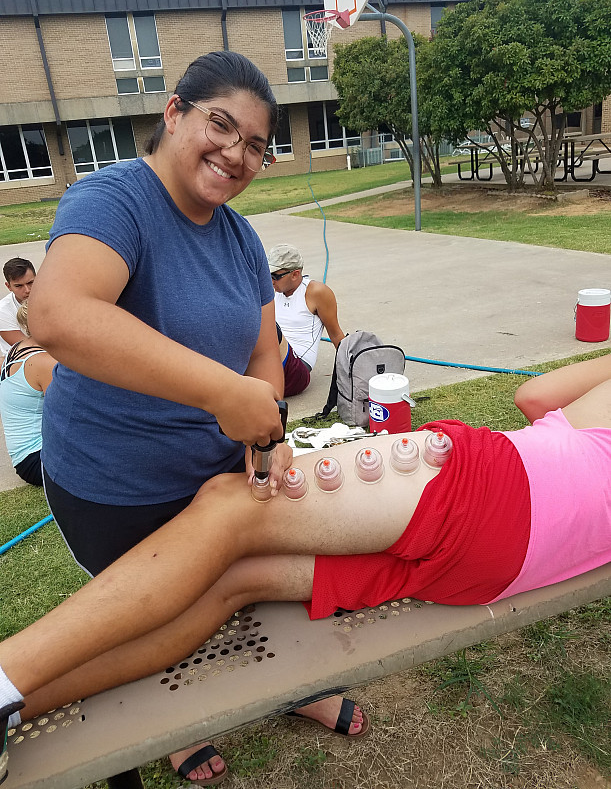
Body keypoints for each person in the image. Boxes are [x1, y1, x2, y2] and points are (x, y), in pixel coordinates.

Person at [1, 354, 611, 786]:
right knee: (237, 582)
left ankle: (5, 680)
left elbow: (533, 398)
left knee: (229, 506)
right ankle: (17, 710)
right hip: (504, 567)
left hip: (493, 486)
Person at [25, 52, 360, 786]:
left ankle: (289, 684)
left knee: (247, 588)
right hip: (115, 484)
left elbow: (264, 353)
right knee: (151, 616)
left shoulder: (240, 239)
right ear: (173, 113)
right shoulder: (114, 200)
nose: (235, 154)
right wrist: (218, 394)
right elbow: (56, 313)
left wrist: (264, 422)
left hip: (215, 471)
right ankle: (171, 727)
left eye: (255, 146)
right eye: (221, 125)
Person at [269, 245, 345, 390]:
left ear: (295, 274)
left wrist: (354, 370)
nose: (271, 281)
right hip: (268, 362)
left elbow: (336, 334)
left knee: (269, 328)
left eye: (275, 276)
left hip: (297, 369)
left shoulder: (316, 292)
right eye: (268, 274)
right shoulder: (271, 291)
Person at [0, 301, 56, 487]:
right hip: (38, 460)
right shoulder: (44, 362)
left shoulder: (16, 349)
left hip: (25, 458)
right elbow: (68, 415)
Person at [0, 258, 36, 356]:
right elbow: (27, 348)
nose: (27, 290)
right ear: (8, 286)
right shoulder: (3, 311)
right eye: (19, 286)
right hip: (20, 360)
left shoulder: (51, 297)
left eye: (30, 283)